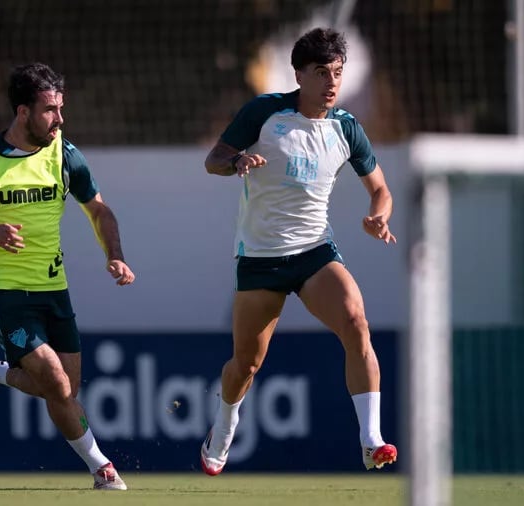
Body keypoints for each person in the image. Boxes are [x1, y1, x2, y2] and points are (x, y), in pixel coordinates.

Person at [199, 27, 398, 475]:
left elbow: (381, 187)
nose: (332, 82)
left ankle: (371, 440)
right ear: (298, 75)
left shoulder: (346, 128)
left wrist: (378, 214)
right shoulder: (265, 112)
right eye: (322, 72)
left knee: (355, 322)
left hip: (314, 252)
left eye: (338, 73)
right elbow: (213, 159)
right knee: (246, 364)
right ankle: (224, 425)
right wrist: (236, 162)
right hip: (260, 259)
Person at [0, 62, 135, 490]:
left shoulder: (64, 154)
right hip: (2, 287)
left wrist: (116, 255)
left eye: (61, 108)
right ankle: (103, 470)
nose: (60, 119)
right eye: (50, 110)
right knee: (54, 382)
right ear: (23, 111)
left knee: (68, 386)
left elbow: (98, 209)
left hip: (53, 286)